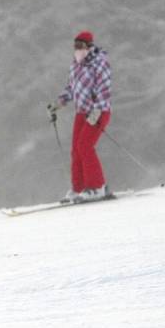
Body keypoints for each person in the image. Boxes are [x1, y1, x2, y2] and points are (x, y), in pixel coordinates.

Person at [48, 31, 112, 201]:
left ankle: (97, 187)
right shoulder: (76, 65)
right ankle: (79, 188)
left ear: (90, 47)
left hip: (98, 111)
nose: (77, 50)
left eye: (81, 46)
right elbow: (71, 88)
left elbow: (104, 90)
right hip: (81, 112)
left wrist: (96, 111)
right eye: (75, 46)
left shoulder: (100, 63)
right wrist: (59, 103)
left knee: (85, 146)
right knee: (76, 150)